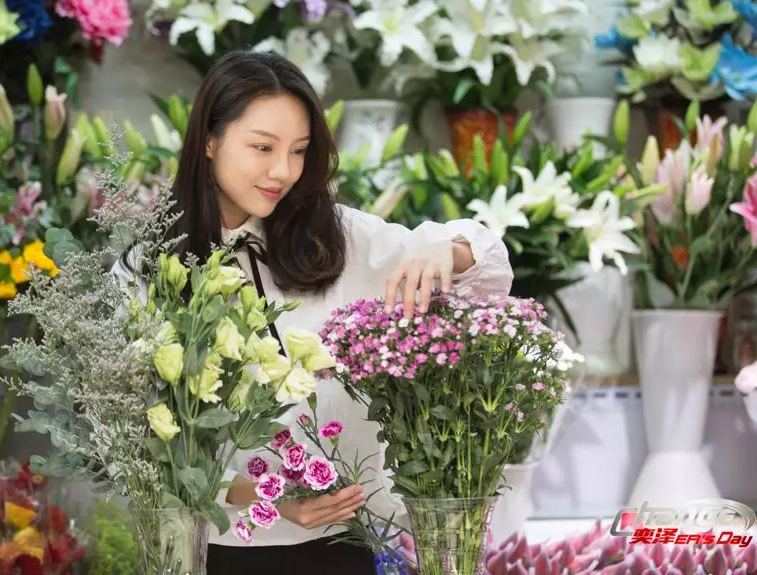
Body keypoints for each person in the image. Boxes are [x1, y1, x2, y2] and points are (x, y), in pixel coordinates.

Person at [114, 50, 514, 575]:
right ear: (209, 140)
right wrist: (268, 497)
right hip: (211, 551)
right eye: (262, 147)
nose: (282, 171)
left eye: (299, 151)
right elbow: (136, 438)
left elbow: (483, 273)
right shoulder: (148, 264)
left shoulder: (335, 236)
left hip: (345, 542)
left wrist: (449, 249)